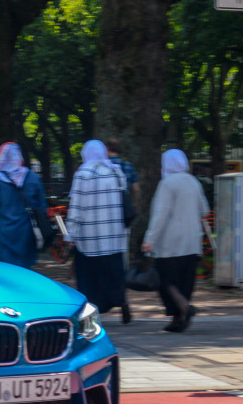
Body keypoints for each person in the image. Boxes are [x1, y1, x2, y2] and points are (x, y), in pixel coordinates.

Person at [141, 150, 211, 332]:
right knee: (185, 281)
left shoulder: (167, 183)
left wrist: (150, 239)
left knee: (166, 280)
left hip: (170, 242)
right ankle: (178, 319)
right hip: (192, 241)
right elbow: (204, 210)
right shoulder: (193, 181)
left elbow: (160, 215)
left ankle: (185, 308)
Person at [67, 140, 132, 323]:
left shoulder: (83, 173)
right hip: (114, 235)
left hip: (90, 236)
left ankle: (90, 311)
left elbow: (76, 206)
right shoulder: (116, 171)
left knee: (89, 278)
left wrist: (69, 233)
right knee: (114, 273)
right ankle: (121, 301)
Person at [0, 142, 47, 268]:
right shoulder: (33, 177)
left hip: (1, 235)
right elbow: (42, 207)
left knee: (3, 271)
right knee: (24, 271)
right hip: (26, 234)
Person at [106, 138, 141, 212]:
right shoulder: (129, 166)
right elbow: (136, 189)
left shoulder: (103, 166)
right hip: (125, 207)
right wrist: (136, 204)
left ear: (107, 148)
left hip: (108, 206)